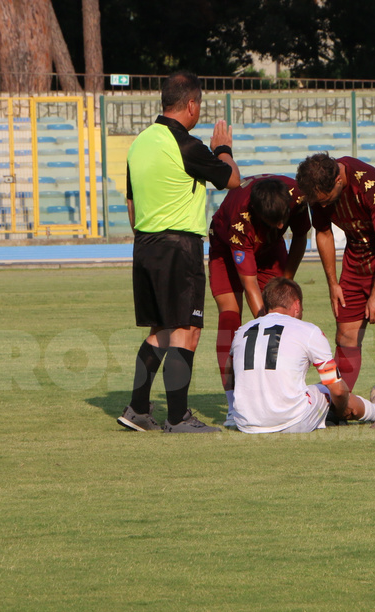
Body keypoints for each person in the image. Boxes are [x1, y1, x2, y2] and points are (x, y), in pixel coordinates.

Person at [116, 70, 241, 434]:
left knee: (161, 330)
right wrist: (223, 149)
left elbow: (131, 203)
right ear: (191, 105)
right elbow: (233, 180)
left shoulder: (139, 143)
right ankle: (177, 417)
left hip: (145, 243)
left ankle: (138, 409)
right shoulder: (187, 144)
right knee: (187, 330)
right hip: (179, 246)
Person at [295, 153, 375, 429]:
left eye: (326, 200)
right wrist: (333, 283)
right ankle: (339, 408)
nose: (323, 206)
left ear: (339, 180)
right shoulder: (318, 189)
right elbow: (323, 233)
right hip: (356, 256)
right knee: (346, 336)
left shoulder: (371, 185)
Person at [207, 175, 310, 425]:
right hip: (225, 248)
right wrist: (266, 323)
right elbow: (249, 283)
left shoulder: (297, 196)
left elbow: (299, 236)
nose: (281, 225)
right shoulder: (239, 221)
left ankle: (283, 393)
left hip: (270, 248)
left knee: (284, 307)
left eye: (283, 219)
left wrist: (285, 281)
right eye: (275, 221)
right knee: (230, 318)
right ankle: (233, 405)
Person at [226, 276, 375, 434]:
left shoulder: (242, 331)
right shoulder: (307, 330)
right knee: (329, 389)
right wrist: (340, 411)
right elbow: (338, 390)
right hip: (292, 421)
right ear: (297, 305)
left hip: (246, 423)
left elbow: (229, 371)